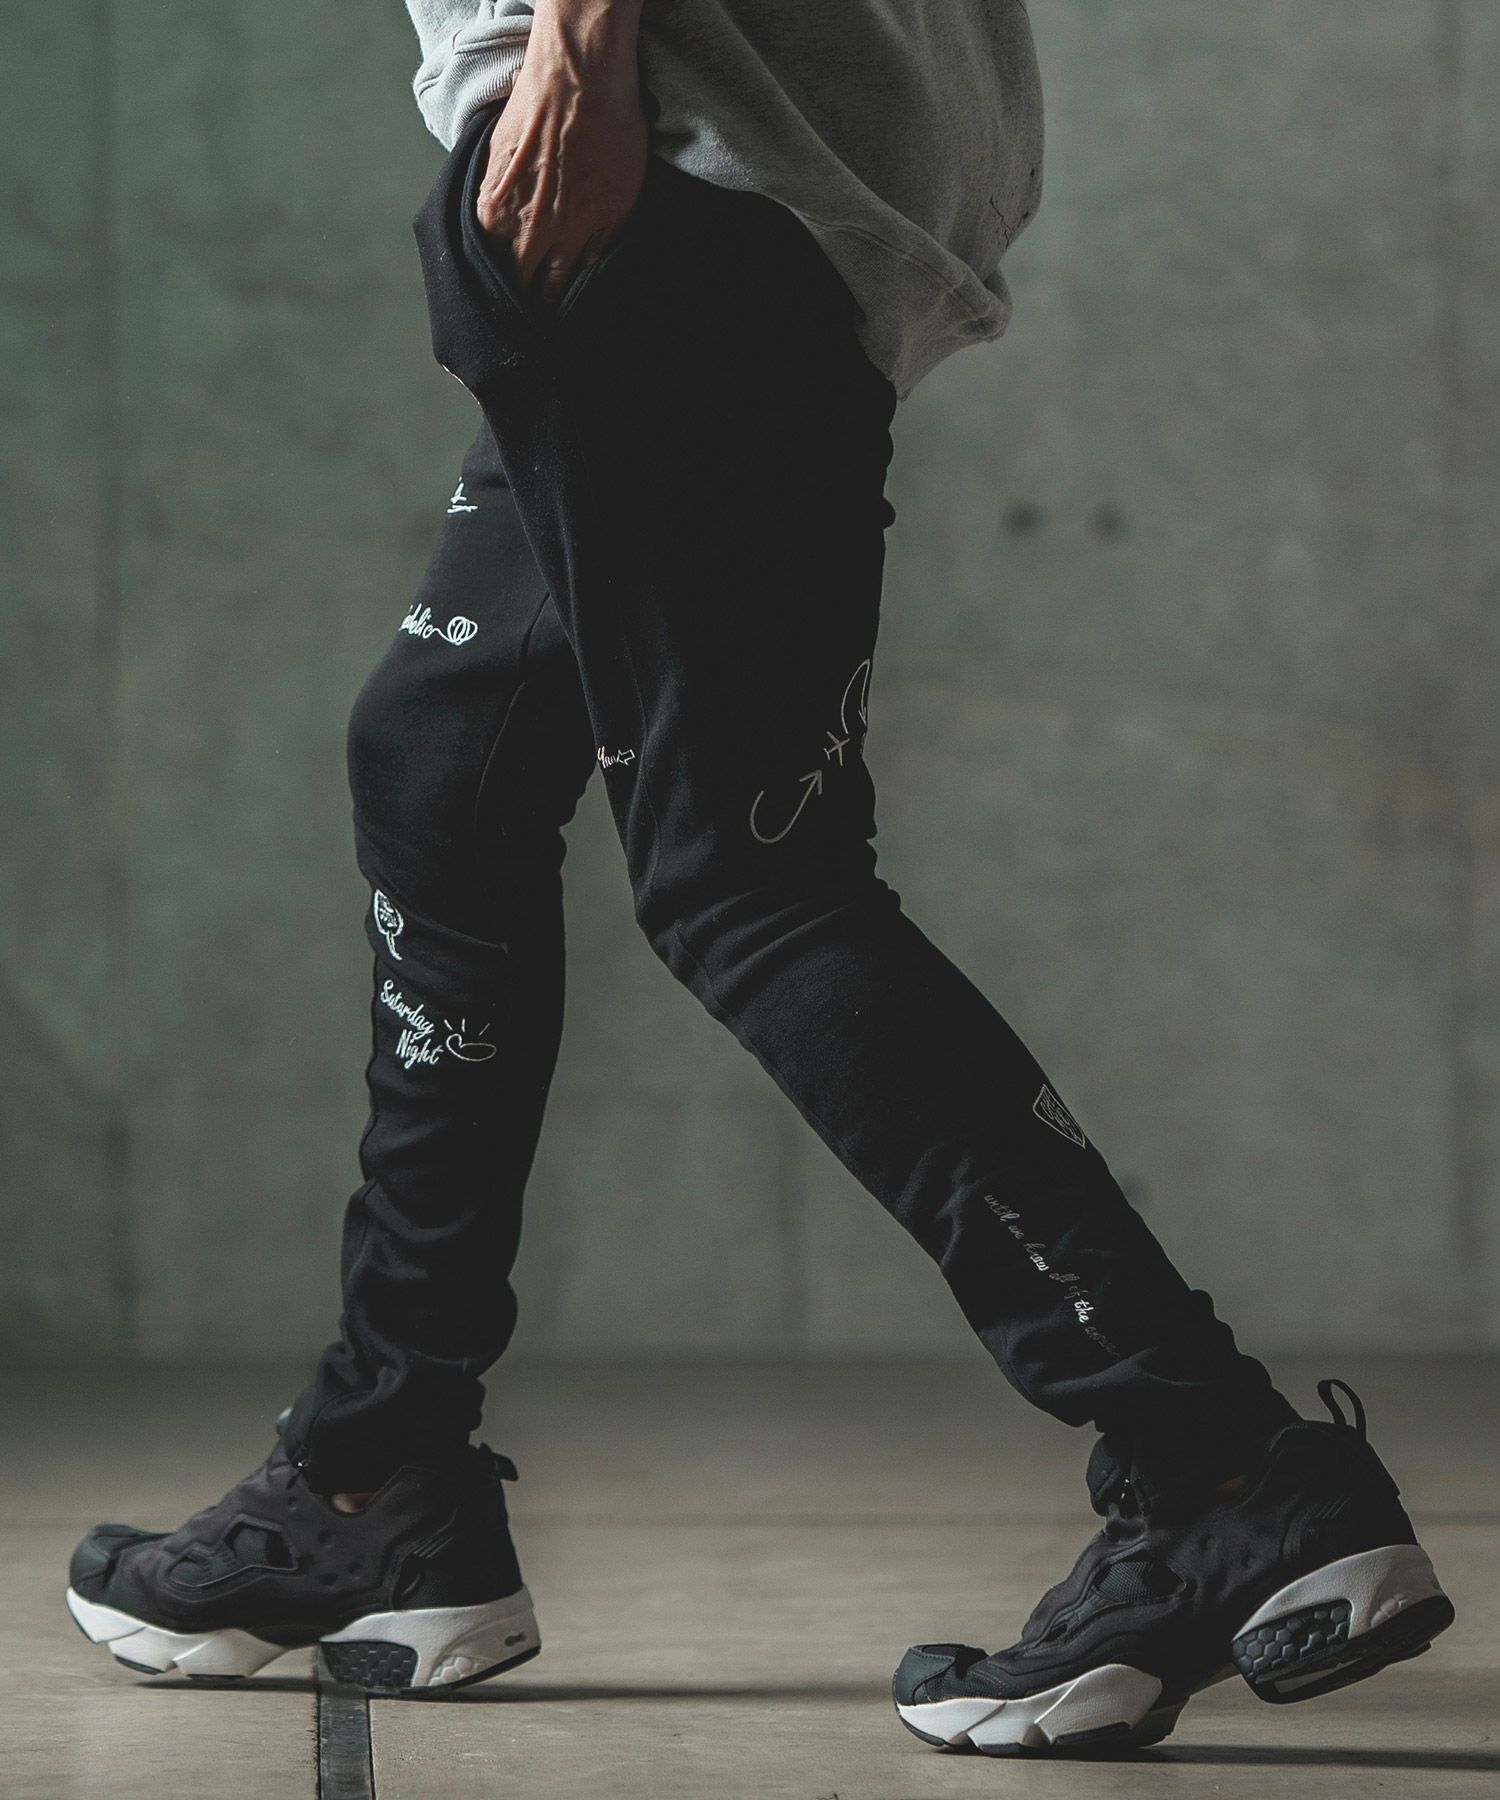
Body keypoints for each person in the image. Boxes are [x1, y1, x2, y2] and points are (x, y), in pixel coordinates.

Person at [66, 0, 1453, 1752]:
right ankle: (378, 1469)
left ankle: (1220, 1466)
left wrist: (581, 49)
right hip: (726, 163)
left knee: (754, 881)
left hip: (663, 154)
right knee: (439, 765)